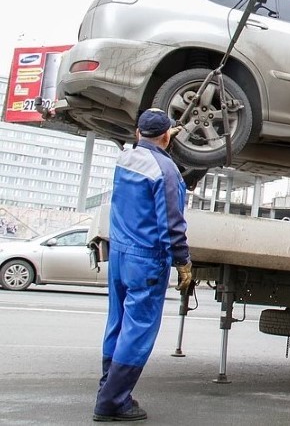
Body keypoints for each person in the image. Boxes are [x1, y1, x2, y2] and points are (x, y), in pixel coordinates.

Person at [93, 109, 193, 422]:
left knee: (118, 323)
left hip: (120, 254)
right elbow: (172, 224)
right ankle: (112, 402)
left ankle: (109, 387)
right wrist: (183, 262)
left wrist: (162, 139)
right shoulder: (167, 171)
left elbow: (147, 148)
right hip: (146, 259)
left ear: (138, 133)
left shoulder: (125, 158)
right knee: (137, 331)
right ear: (166, 136)